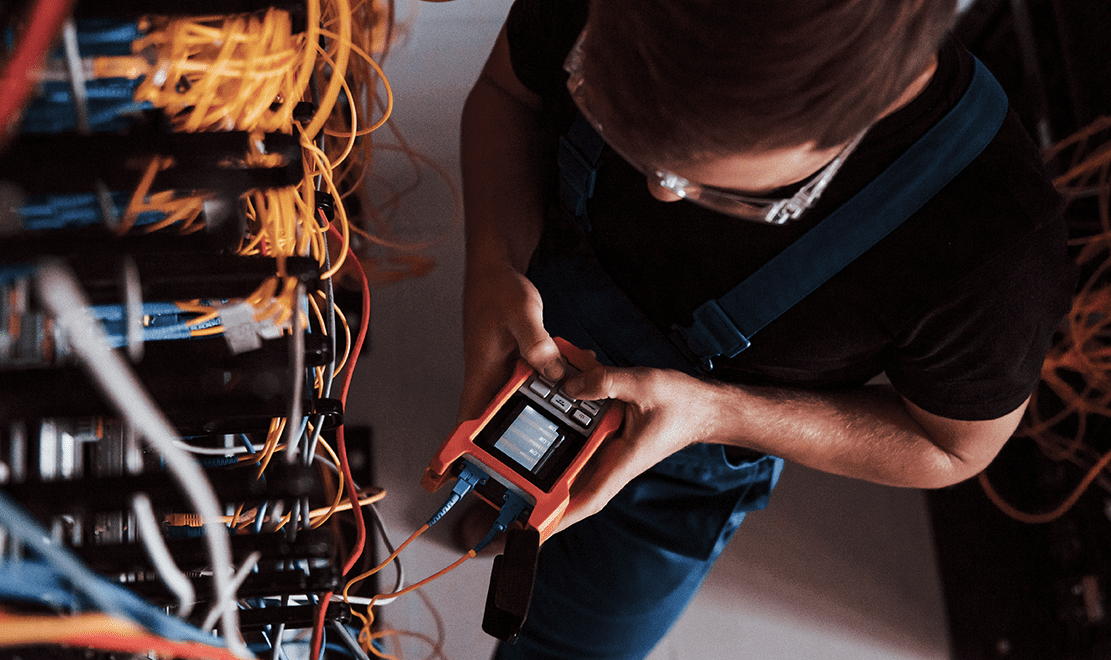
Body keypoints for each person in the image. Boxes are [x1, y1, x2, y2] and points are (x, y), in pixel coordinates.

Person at [457, 0, 1076, 658]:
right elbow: (509, 94)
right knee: (507, 473)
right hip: (547, 310)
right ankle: (504, 500)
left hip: (683, 467)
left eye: (697, 179)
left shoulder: (994, 253)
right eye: (612, 123)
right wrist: (492, 264)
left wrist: (715, 414)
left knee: (574, 642)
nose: (659, 194)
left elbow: (951, 447)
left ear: (852, 123)